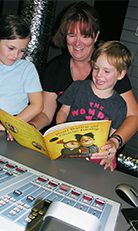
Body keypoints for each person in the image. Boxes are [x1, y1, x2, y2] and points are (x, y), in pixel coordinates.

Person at [29, 1, 138, 169]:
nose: (77, 42)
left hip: (98, 154)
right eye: (72, 35)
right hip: (66, 149)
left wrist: (115, 142)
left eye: (85, 36)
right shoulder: (55, 69)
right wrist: (31, 127)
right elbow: (46, 114)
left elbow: (134, 116)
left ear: (96, 36)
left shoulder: (110, 69)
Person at [56, 40, 134, 170]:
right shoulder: (77, 87)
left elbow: (112, 137)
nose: (99, 75)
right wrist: (59, 128)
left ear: (121, 74)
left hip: (96, 152)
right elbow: (63, 111)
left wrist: (109, 155)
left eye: (107, 71)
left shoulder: (120, 105)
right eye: (96, 68)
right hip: (69, 143)